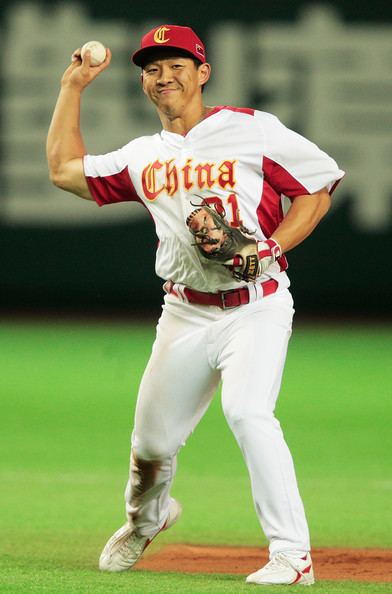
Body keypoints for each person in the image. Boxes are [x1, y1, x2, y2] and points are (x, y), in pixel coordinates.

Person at [46, 24, 344, 586]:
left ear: (202, 72)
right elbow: (65, 172)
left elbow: (317, 189)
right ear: (144, 83)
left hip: (256, 306)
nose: (164, 76)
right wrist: (73, 86)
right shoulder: (144, 156)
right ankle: (146, 520)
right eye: (153, 68)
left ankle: (292, 554)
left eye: (177, 64)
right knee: (151, 447)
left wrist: (271, 247)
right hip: (184, 313)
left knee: (249, 413)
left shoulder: (253, 131)